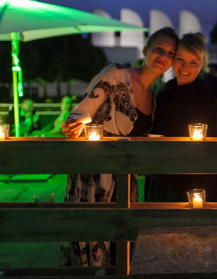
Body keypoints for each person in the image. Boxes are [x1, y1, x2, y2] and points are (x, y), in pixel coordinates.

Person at [59, 27, 179, 267]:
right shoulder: (116, 73)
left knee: (121, 247)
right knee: (91, 243)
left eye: (170, 53)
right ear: (146, 50)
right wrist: (77, 121)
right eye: (159, 49)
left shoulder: (155, 97)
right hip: (94, 174)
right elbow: (86, 107)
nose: (163, 56)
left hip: (126, 179)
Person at [147, 32, 217, 202]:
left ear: (202, 65)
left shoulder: (205, 99)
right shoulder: (165, 93)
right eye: (180, 59)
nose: (185, 67)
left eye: (193, 62)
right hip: (161, 178)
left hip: (192, 183)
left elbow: (212, 150)